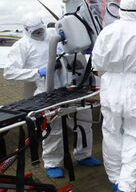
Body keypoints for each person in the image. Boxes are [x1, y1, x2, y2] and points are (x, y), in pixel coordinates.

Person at [3, 13, 101, 178]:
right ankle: (52, 163)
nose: (40, 34)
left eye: (41, 30)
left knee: (84, 122)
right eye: (35, 32)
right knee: (52, 130)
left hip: (73, 87)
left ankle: (84, 154)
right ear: (27, 31)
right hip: (47, 92)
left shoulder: (55, 35)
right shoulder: (22, 46)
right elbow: (9, 72)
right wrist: (38, 72)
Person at [92, 0, 136, 192]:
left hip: (111, 84)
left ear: (119, 10)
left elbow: (97, 62)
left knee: (111, 132)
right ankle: (127, 184)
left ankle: (114, 177)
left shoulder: (107, 31)